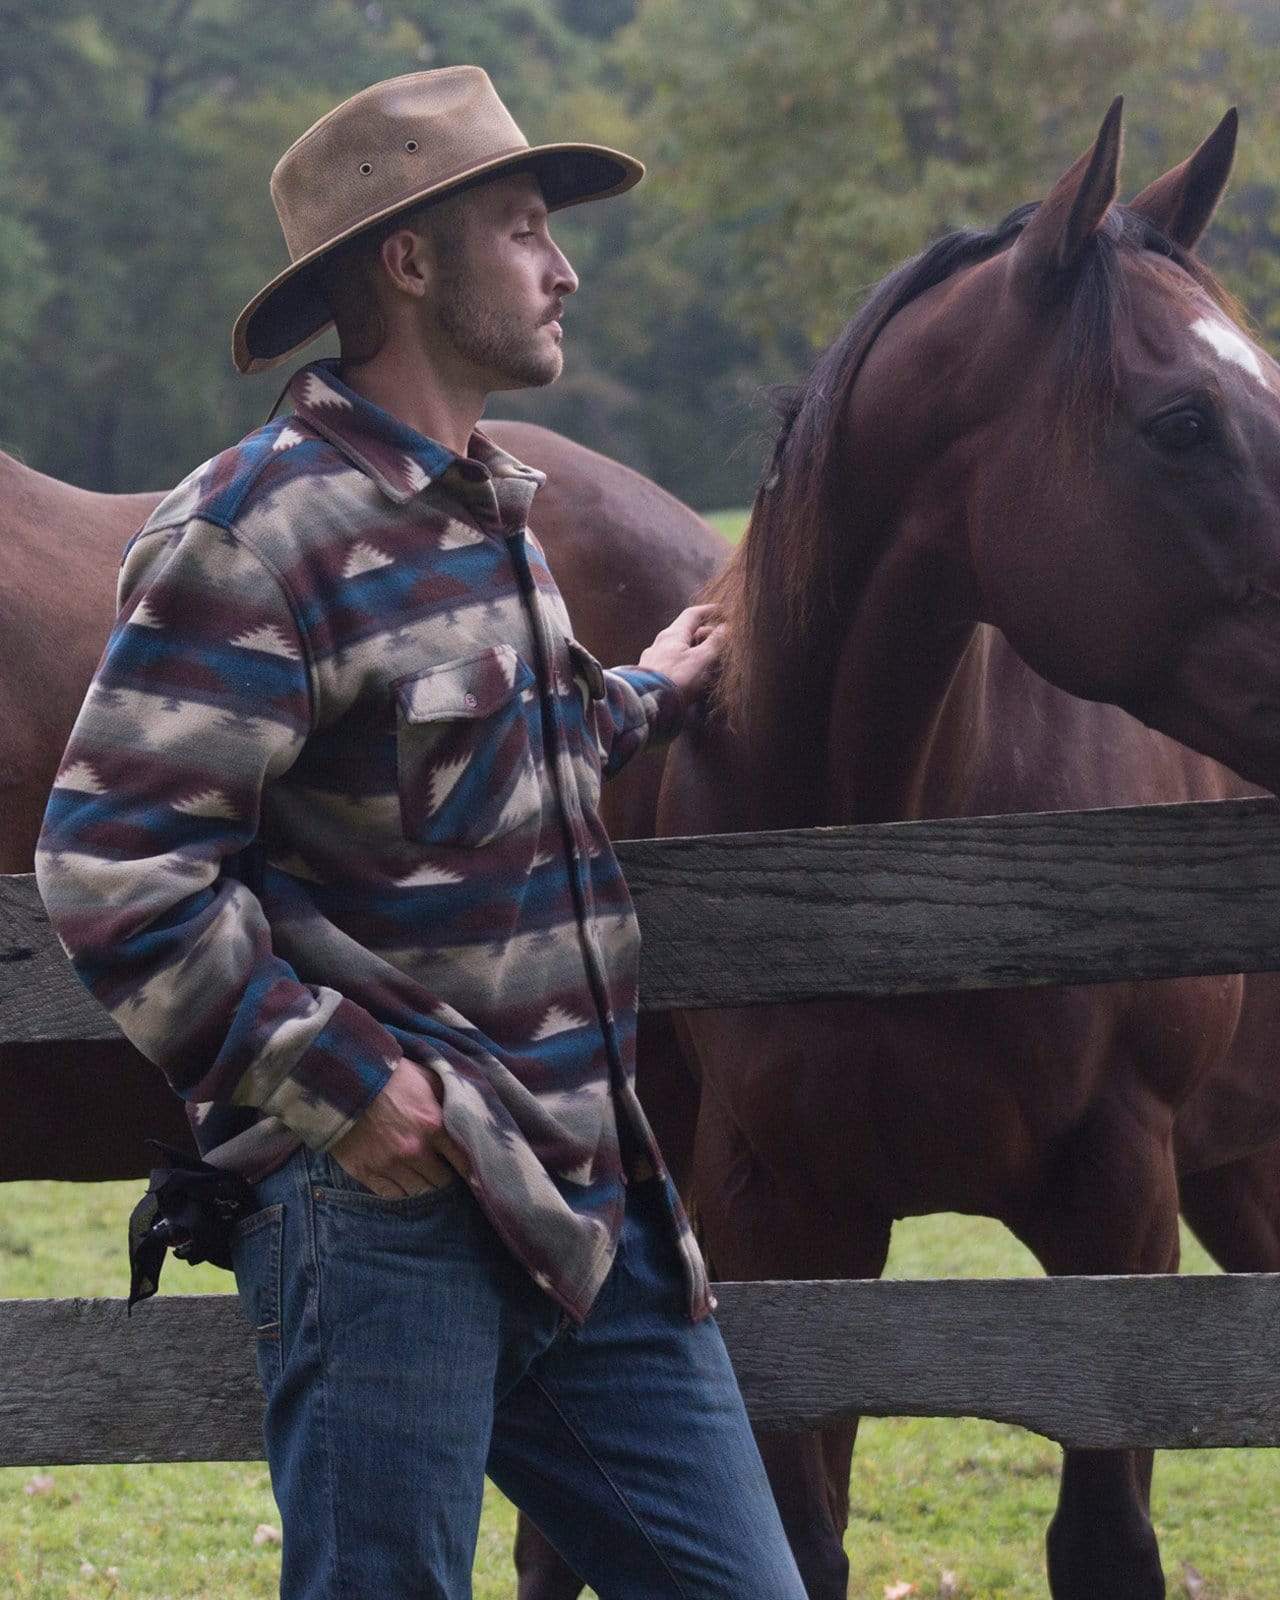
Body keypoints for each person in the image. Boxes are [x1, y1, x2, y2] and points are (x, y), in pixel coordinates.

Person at [34, 66, 809, 1600]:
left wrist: (641, 692)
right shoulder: (258, 534)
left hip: (591, 1208)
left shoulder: (486, 514)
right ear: (407, 262)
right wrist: (344, 1088)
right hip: (384, 1219)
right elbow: (113, 862)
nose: (562, 265)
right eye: (522, 228)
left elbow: (483, 752)